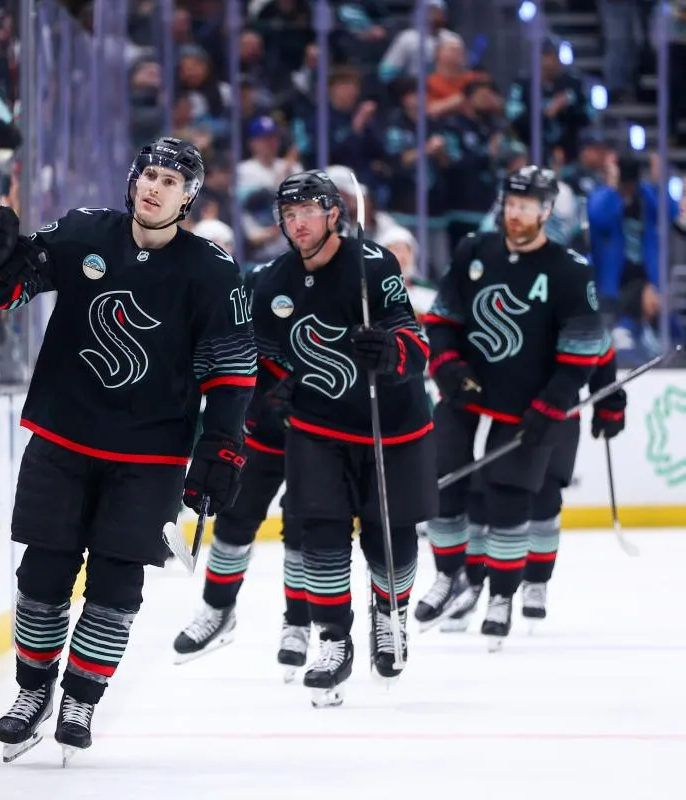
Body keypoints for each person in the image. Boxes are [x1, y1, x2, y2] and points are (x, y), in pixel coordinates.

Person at [0, 137, 256, 762]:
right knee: (43, 573)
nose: (155, 187)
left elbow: (233, 372)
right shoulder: (83, 233)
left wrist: (222, 448)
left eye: (171, 181)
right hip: (62, 435)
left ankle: (80, 698)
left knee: (115, 581)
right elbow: (7, 289)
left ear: (189, 197)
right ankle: (32, 693)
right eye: (149, 174)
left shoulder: (211, 270)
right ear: (133, 181)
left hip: (150, 454)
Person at [250, 169, 436, 708]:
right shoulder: (273, 280)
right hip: (317, 427)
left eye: (308, 210)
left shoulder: (373, 264)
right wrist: (273, 389)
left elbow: (413, 339)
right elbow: (258, 355)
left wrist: (391, 352)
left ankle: (391, 617)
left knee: (389, 533)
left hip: (390, 424)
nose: (297, 222)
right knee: (319, 533)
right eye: (288, 214)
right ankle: (333, 640)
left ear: (335, 214)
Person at [416, 165, 606, 650]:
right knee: (442, 482)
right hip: (467, 393)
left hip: (528, 406)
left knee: (510, 496)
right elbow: (441, 321)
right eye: (510, 204)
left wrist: (553, 403)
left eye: (526, 206)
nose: (515, 214)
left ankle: (501, 595)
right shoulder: (473, 251)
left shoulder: (568, 269)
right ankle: (450, 576)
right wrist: (449, 368)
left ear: (546, 210)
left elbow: (583, 351)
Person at [171, 261, 312, 680]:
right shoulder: (263, 278)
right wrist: (270, 392)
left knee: (303, 528)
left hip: (319, 436)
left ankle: (299, 624)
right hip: (262, 430)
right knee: (233, 520)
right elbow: (238, 346)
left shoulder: (345, 276)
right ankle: (217, 610)